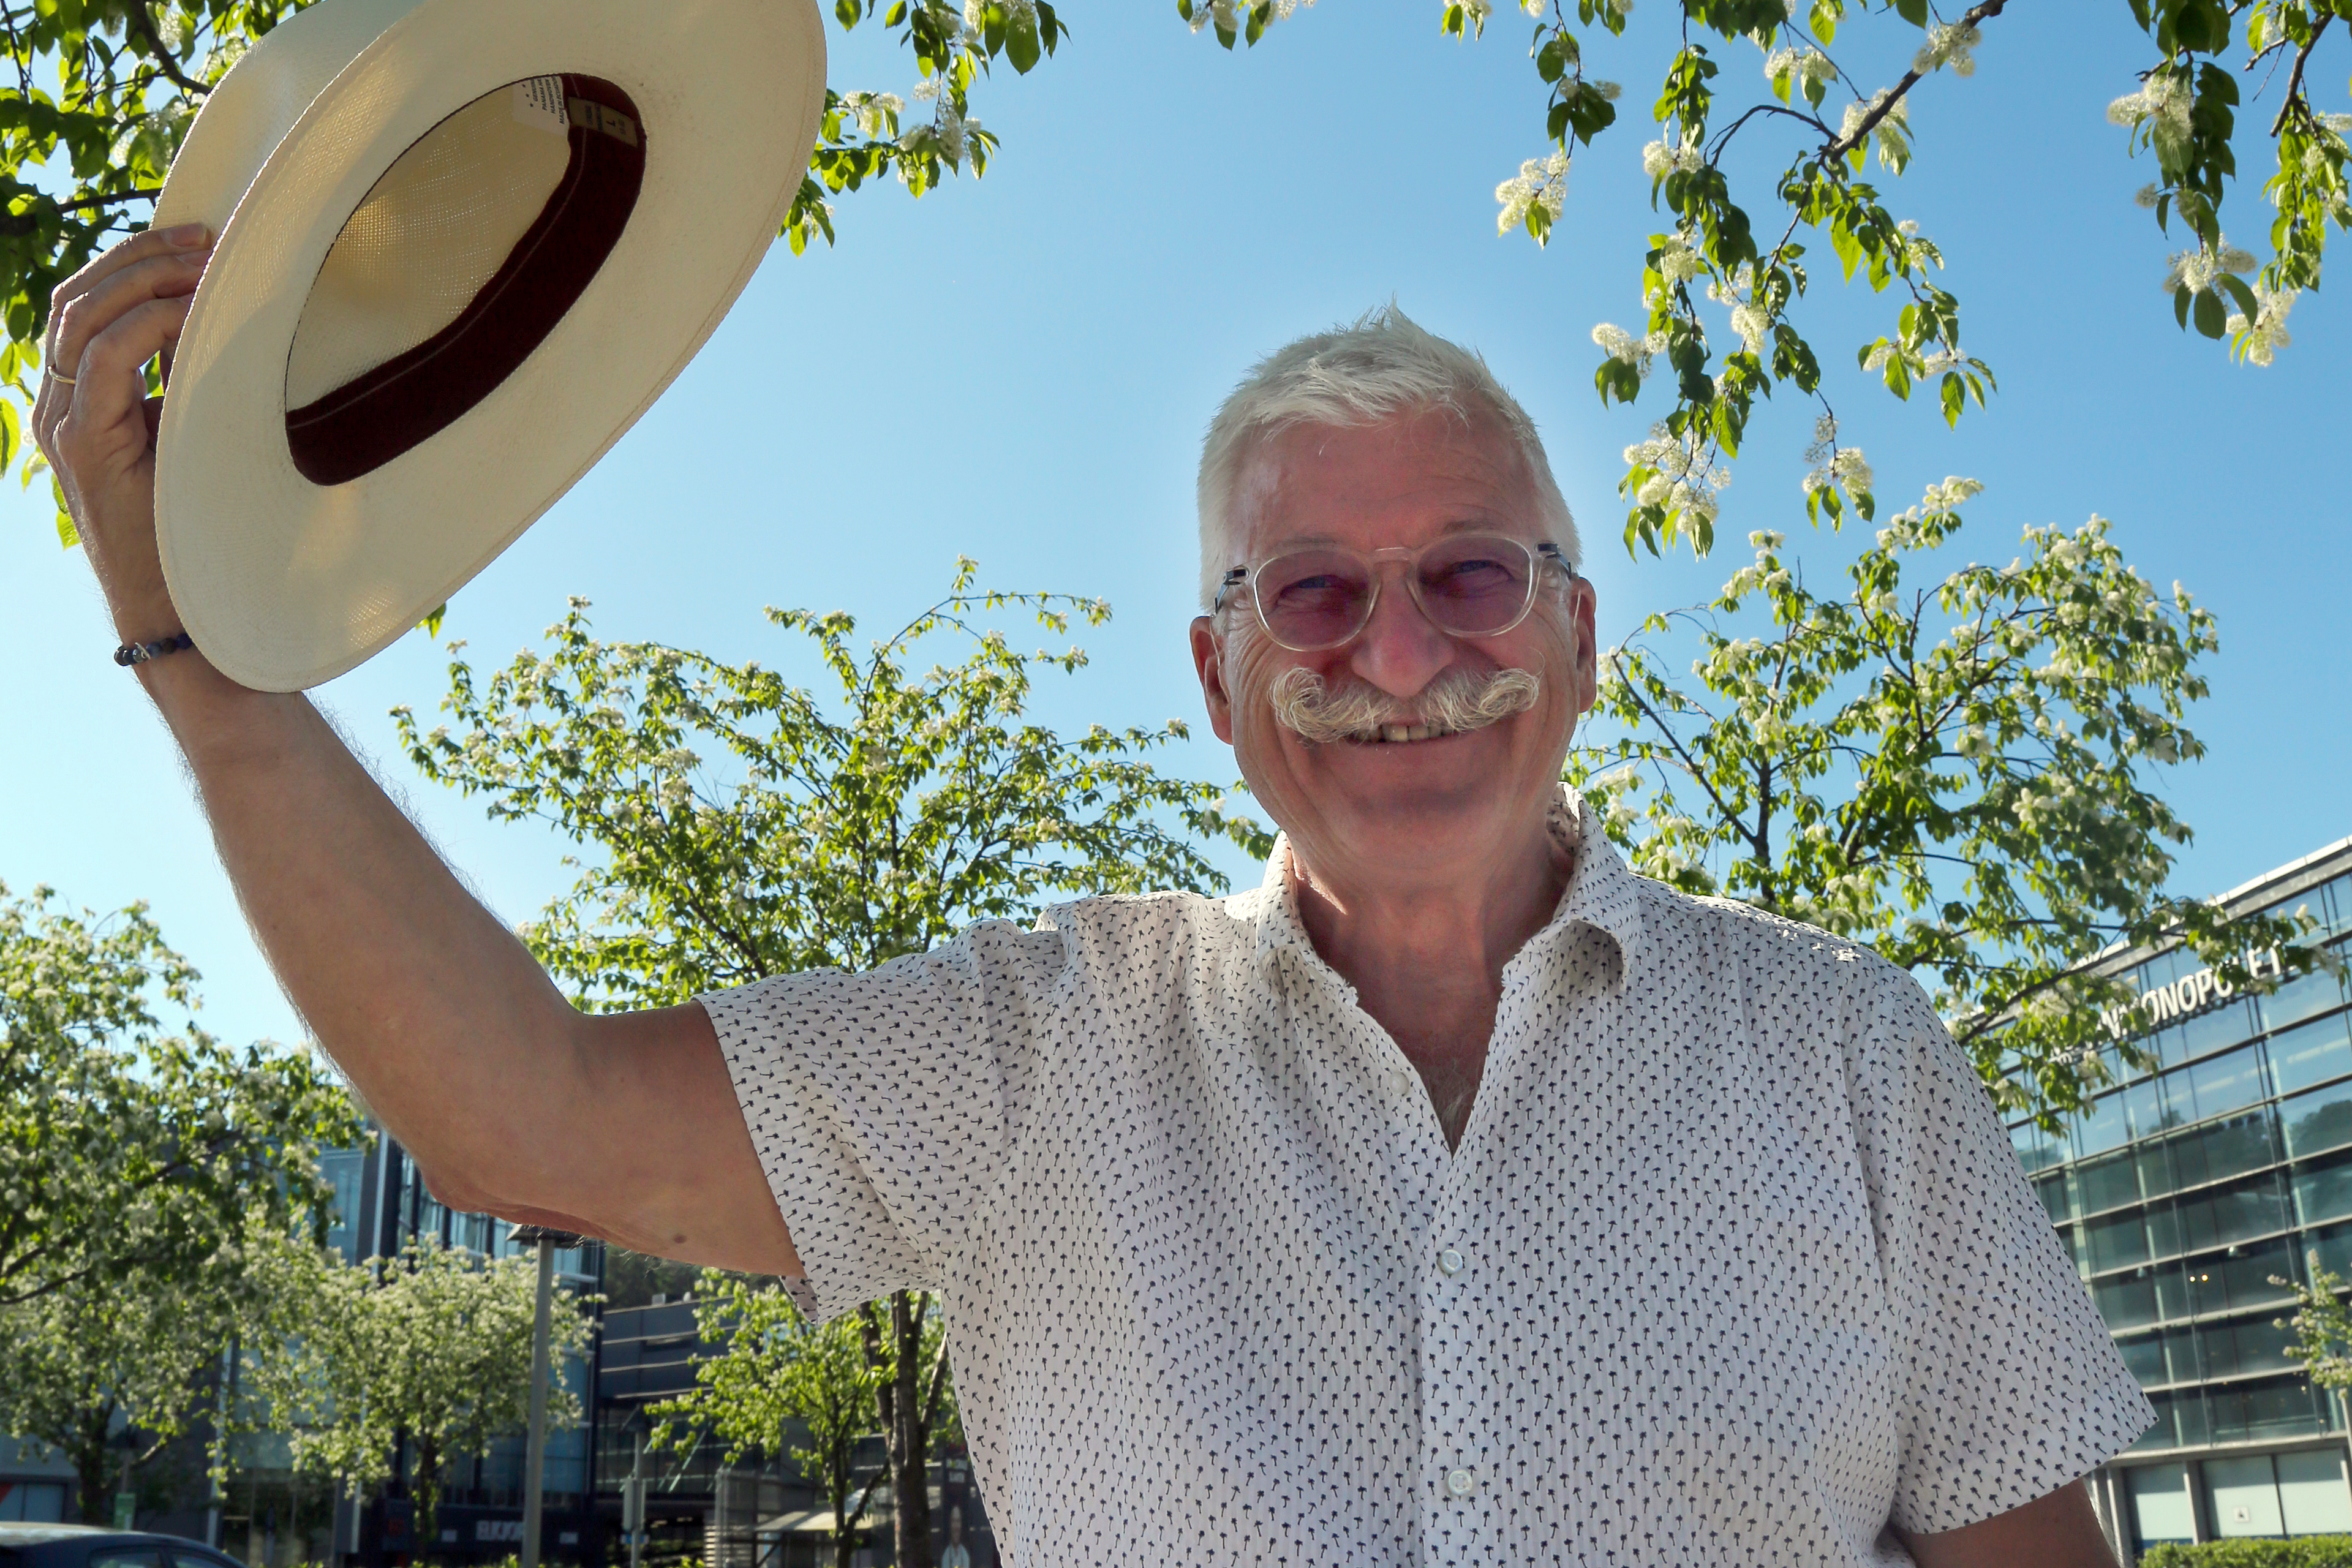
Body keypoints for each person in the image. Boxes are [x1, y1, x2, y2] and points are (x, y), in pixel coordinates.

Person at [39, 228, 2148, 1567]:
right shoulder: (1040, 1052)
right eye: (1312, 592)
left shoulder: (1851, 1049)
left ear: (1581, 642)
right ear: (1220, 681)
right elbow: (525, 1118)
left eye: (1470, 577)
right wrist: (212, 685)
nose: (1398, 660)